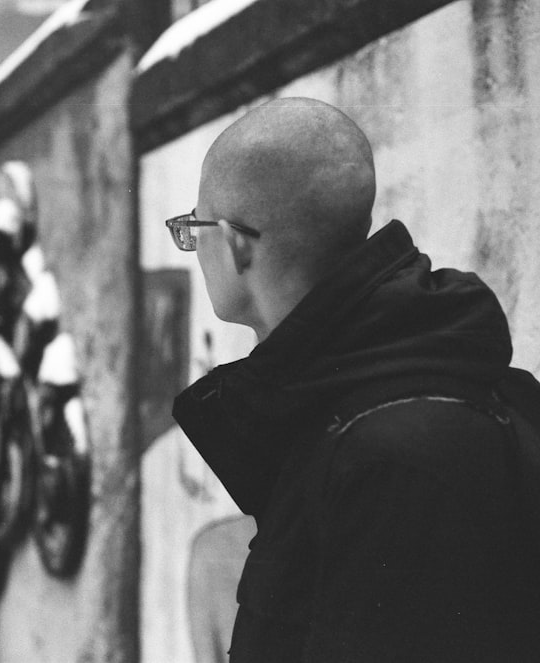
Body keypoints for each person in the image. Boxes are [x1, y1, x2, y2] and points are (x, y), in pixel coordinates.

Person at [170, 97, 540, 662]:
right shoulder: (352, 408)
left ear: (236, 243)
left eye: (193, 229)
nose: (195, 250)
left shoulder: (386, 457)